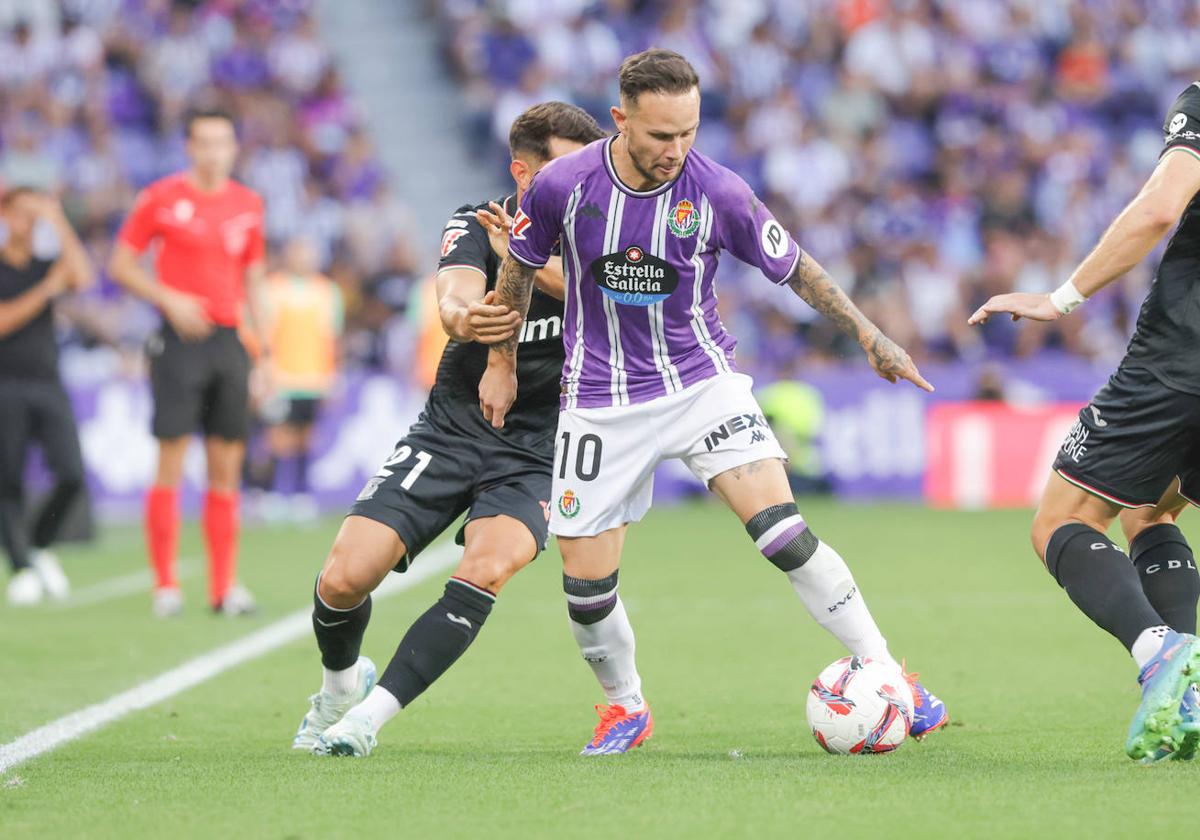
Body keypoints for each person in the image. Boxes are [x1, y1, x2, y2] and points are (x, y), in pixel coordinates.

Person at [480, 49, 946, 755]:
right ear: (621, 119)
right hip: (601, 397)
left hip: (702, 382)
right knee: (585, 582)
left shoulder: (718, 190)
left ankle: (888, 674)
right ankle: (626, 708)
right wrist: (500, 362)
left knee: (784, 532)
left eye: (689, 132)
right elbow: (518, 265)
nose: (676, 150)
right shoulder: (562, 187)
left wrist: (871, 335)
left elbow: (799, 269)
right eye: (661, 135)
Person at [292, 102, 607, 756]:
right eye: (564, 165)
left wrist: (520, 264)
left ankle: (366, 722)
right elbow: (454, 296)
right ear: (522, 172)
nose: (581, 178)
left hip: (539, 451)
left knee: (486, 567)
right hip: (452, 430)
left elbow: (597, 298)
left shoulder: (602, 234)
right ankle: (339, 690)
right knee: (343, 579)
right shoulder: (475, 220)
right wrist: (472, 321)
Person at [969, 83, 1200, 762]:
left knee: (1061, 522)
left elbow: (1161, 208)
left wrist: (1059, 299)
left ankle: (1160, 654)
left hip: (1179, 361)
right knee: (1151, 514)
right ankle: (1189, 693)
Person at [109, 107, 268, 618]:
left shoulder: (248, 204)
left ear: (233, 148)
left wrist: (264, 353)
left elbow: (255, 280)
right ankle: (166, 585)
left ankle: (223, 588)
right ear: (189, 147)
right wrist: (168, 299)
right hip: (177, 343)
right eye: (204, 142)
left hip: (229, 342)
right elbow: (119, 264)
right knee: (171, 461)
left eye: (223, 142)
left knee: (226, 466)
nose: (214, 151)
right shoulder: (160, 198)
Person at [0, 188, 93, 605]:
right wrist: (46, 291)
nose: (26, 222)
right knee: (8, 481)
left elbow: (83, 277)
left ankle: (37, 546)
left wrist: (57, 218)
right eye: (20, 214)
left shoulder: (44, 264)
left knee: (71, 474)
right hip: (6, 384)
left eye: (31, 215)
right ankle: (19, 566)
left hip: (48, 382)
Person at [257, 236, 343, 519]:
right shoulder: (273, 288)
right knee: (279, 438)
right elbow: (264, 334)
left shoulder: (327, 291)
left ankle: (302, 495)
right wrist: (263, 371)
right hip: (282, 377)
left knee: (307, 437)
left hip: (315, 378)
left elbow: (332, 338)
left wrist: (334, 376)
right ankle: (275, 495)